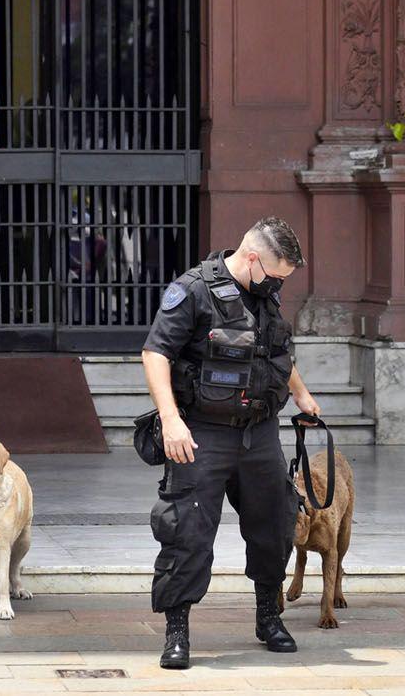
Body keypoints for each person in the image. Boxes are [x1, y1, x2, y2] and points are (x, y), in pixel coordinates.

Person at [140, 217, 323, 669]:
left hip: (259, 432)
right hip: (201, 432)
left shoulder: (265, 293)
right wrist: (170, 420)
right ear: (254, 258)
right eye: (278, 274)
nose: (280, 283)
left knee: (276, 521)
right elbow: (155, 352)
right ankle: (177, 631)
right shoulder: (193, 290)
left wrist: (300, 392)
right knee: (187, 531)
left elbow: (273, 351)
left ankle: (268, 616)